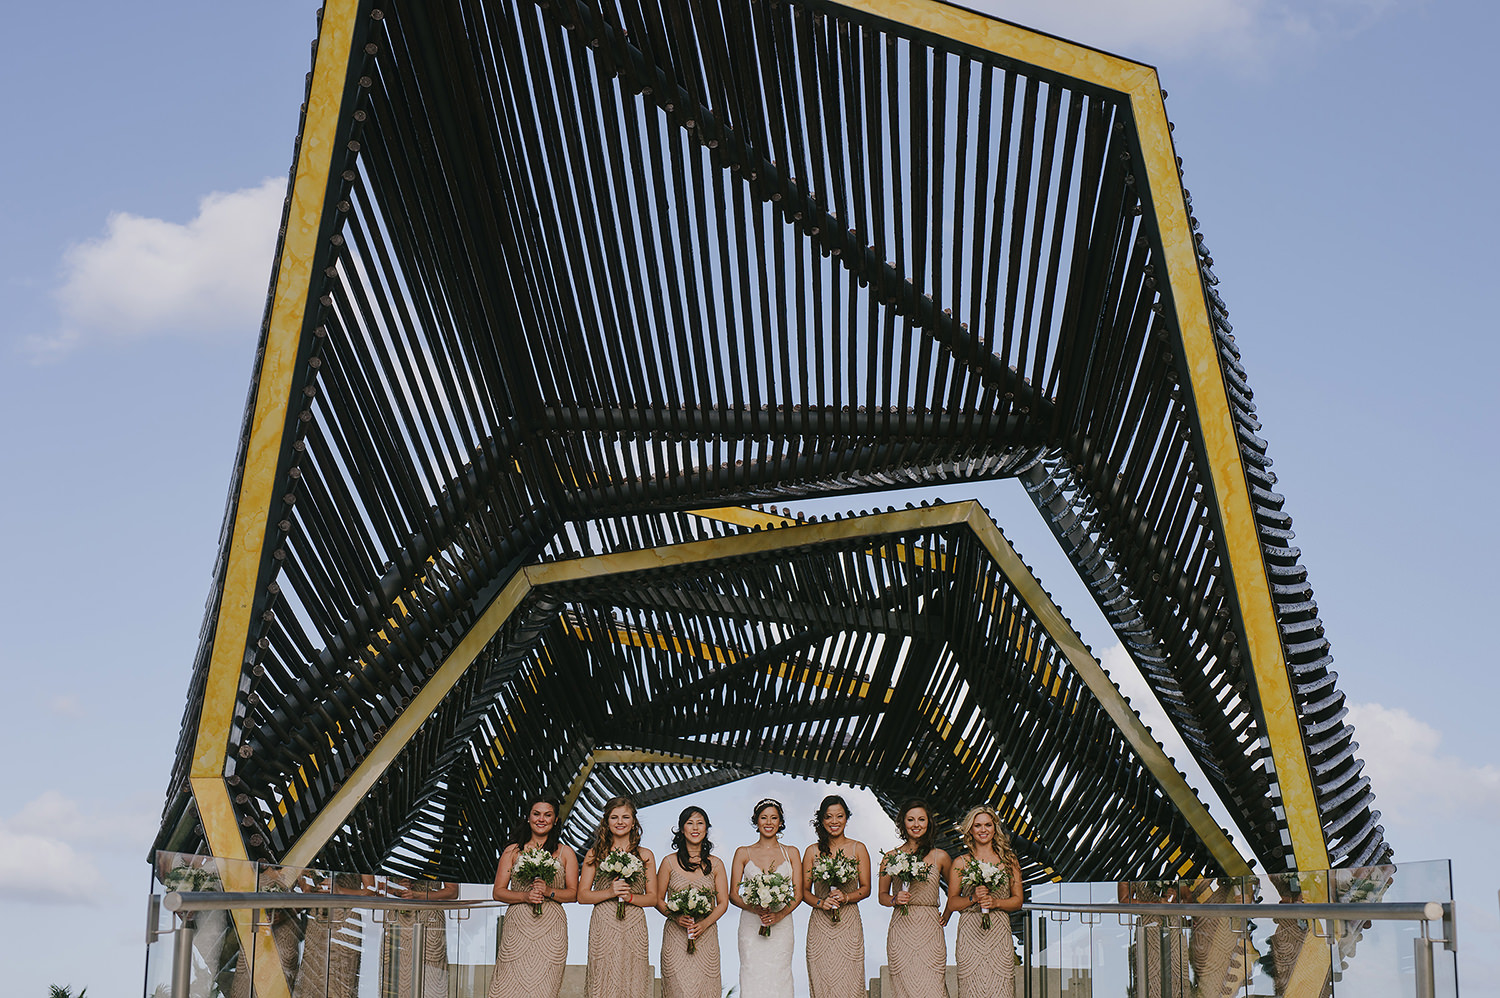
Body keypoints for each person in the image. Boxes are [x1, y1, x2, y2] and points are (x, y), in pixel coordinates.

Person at [487, 796, 578, 998]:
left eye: (548, 815)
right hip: (518, 924)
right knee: (507, 986)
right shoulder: (513, 851)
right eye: (536, 814)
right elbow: (498, 891)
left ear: (555, 820)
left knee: (545, 988)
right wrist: (525, 896)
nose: (541, 819)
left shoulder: (565, 852)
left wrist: (549, 892)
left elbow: (573, 894)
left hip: (551, 927)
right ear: (528, 818)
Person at [578, 796, 657, 998]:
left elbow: (652, 898)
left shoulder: (645, 855)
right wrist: (610, 893)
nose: (620, 822)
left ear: (633, 823)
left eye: (625, 817)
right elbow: (582, 895)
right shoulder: (594, 854)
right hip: (604, 923)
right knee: (602, 978)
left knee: (633, 978)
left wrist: (629, 897)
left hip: (634, 923)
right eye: (614, 817)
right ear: (607, 822)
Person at [943, 806, 1023, 998]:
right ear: (970, 829)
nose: (983, 829)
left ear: (995, 828)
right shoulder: (961, 862)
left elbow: (1018, 901)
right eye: (977, 825)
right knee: (972, 988)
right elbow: (952, 903)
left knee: (1001, 988)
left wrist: (995, 903)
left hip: (999, 931)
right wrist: (973, 898)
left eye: (988, 824)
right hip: (970, 932)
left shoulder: (1009, 860)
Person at [729, 798, 802, 997]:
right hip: (751, 924)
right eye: (764, 818)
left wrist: (779, 916)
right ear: (757, 821)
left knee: (781, 973)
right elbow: (733, 894)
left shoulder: (792, 853)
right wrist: (756, 909)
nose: (768, 822)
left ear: (780, 822)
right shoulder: (743, 852)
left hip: (782, 924)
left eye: (774, 818)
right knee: (751, 972)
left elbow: (799, 894)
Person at [878, 799, 950, 998]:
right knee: (904, 990)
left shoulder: (940, 856)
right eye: (911, 819)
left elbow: (956, 892)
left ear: (929, 823)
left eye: (921, 819)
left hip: (930, 928)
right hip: (902, 928)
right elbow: (882, 896)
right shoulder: (890, 857)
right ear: (902, 823)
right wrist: (894, 899)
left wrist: (947, 914)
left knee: (934, 988)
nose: (916, 824)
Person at [802, 795, 871, 998]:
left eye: (839, 816)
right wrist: (821, 902)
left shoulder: (858, 848)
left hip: (848, 922)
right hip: (820, 925)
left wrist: (846, 897)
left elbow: (866, 888)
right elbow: (804, 892)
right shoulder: (812, 851)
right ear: (822, 820)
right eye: (829, 817)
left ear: (846, 818)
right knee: (822, 980)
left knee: (850, 980)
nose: (834, 822)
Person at [656, 805, 728, 998]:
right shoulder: (668, 862)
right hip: (675, 937)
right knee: (676, 991)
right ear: (682, 829)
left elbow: (722, 902)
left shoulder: (717, 864)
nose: (695, 828)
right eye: (690, 823)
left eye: (700, 823)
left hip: (706, 936)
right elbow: (657, 899)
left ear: (706, 829)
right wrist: (676, 917)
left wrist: (704, 924)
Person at [379, 876, 458, 998]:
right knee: (394, 977)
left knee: (430, 978)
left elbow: (452, 892)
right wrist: (397, 890)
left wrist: (418, 895)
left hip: (429, 918)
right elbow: (378, 890)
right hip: (397, 918)